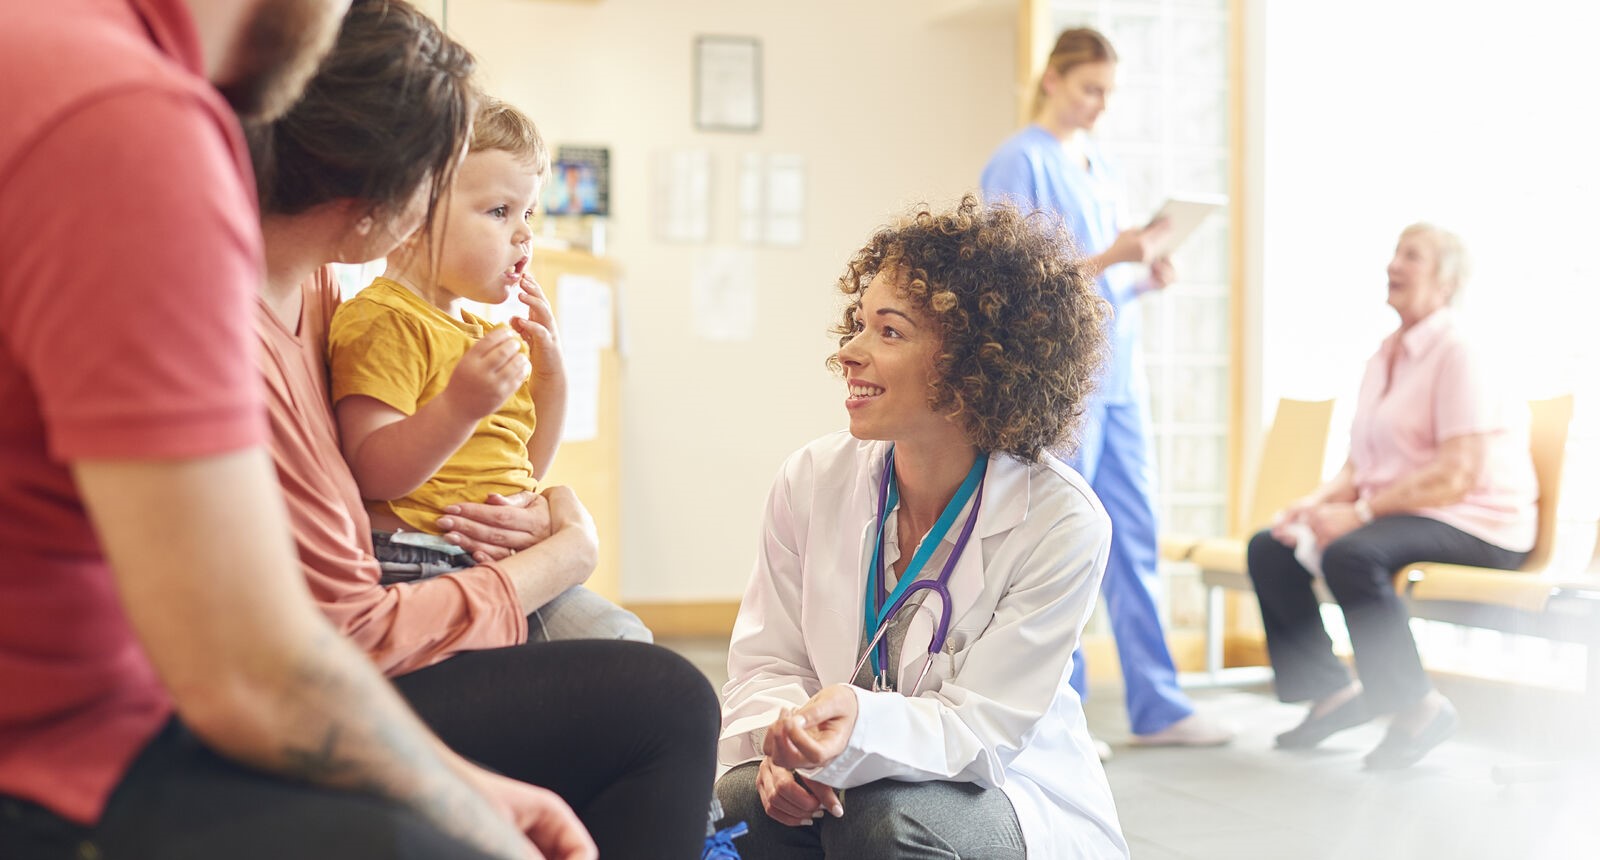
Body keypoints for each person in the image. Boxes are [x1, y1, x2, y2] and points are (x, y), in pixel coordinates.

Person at [0, 0, 594, 858]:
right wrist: (470, 814)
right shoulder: (129, 119)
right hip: (74, 761)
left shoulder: (81, 62)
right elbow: (248, 663)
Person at [247, 2, 715, 855]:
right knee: (668, 694)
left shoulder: (314, 292)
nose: (520, 236)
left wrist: (555, 500)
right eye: (479, 201)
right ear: (389, 186)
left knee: (641, 673)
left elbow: (523, 466)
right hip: (372, 640)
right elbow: (354, 594)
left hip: (442, 586)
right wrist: (558, 556)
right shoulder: (360, 318)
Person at [715, 196, 1128, 858]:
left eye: (889, 331)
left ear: (974, 363)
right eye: (857, 324)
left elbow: (984, 728)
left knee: (884, 820)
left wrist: (855, 730)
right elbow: (767, 661)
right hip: (845, 772)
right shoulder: (811, 480)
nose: (848, 353)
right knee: (736, 809)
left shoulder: (1061, 521)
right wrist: (783, 742)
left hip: (1006, 789)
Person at [979, 26, 1232, 751]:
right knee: (1062, 538)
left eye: (1108, 94)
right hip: (1066, 386)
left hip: (1119, 380)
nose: (1099, 105)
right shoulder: (1018, 161)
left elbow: (1099, 285)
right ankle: (1059, 713)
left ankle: (1158, 703)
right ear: (1053, 79)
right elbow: (1014, 282)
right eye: (1090, 89)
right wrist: (1111, 255)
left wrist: (1139, 275)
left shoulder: (1100, 165)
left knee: (1133, 535)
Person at [323, 96, 646, 639]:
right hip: (419, 562)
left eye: (529, 214)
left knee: (625, 640)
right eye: (500, 212)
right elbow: (372, 471)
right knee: (619, 648)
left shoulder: (478, 332)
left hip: (498, 563)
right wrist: (457, 408)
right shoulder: (384, 320)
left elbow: (525, 467)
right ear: (415, 215)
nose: (524, 234)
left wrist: (552, 376)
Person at [1247, 224, 1536, 770]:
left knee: (1352, 553)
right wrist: (1312, 506)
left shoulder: (1459, 351)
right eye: (1395, 253)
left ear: (1446, 282)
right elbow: (1360, 464)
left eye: (1413, 256)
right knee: (1272, 546)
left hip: (1480, 521)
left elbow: (1457, 473)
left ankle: (1418, 708)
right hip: (1408, 511)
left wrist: (1356, 515)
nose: (1393, 265)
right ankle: (1331, 692)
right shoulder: (1384, 355)